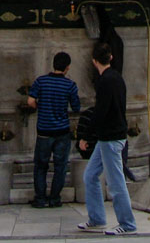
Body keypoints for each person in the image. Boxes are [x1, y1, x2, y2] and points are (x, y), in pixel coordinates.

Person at [77, 41, 136, 235]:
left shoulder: (105, 82)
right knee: (90, 175)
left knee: (116, 182)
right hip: (109, 137)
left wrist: (85, 136)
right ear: (110, 58)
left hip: (110, 138)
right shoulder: (117, 78)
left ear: (94, 61)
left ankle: (127, 224)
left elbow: (100, 112)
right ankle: (97, 219)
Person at [26, 50, 81, 208]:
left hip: (44, 130)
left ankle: (40, 199)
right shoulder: (70, 85)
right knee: (60, 166)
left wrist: (39, 107)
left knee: (41, 166)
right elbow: (76, 107)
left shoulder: (41, 81)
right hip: (62, 131)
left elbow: (30, 101)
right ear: (67, 68)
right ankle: (55, 198)